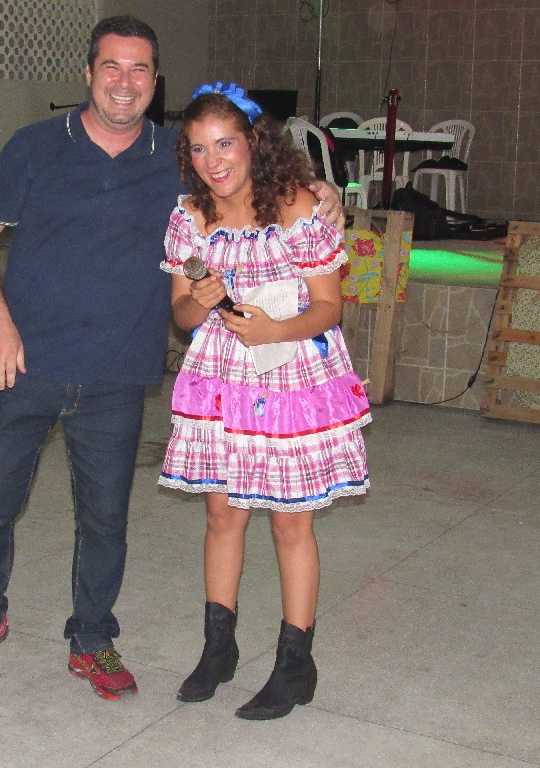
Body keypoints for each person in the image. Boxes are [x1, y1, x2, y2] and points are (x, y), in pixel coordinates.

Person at [0, 17, 345, 701]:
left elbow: (245, 175)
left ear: (156, 81)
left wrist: (326, 195)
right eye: (112, 67)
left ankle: (93, 637)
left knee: (105, 519)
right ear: (88, 73)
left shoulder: (175, 159)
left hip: (118, 370)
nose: (125, 82)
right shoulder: (34, 146)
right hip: (25, 361)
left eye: (140, 68)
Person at [158, 83, 372, 720]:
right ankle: (218, 649)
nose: (214, 161)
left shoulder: (298, 206)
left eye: (225, 143)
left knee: (289, 521)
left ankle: (295, 665)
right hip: (222, 376)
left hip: (290, 376)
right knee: (222, 515)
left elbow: (330, 307)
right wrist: (200, 300)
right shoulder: (189, 218)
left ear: (253, 142)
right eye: (199, 149)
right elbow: (181, 315)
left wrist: (276, 330)